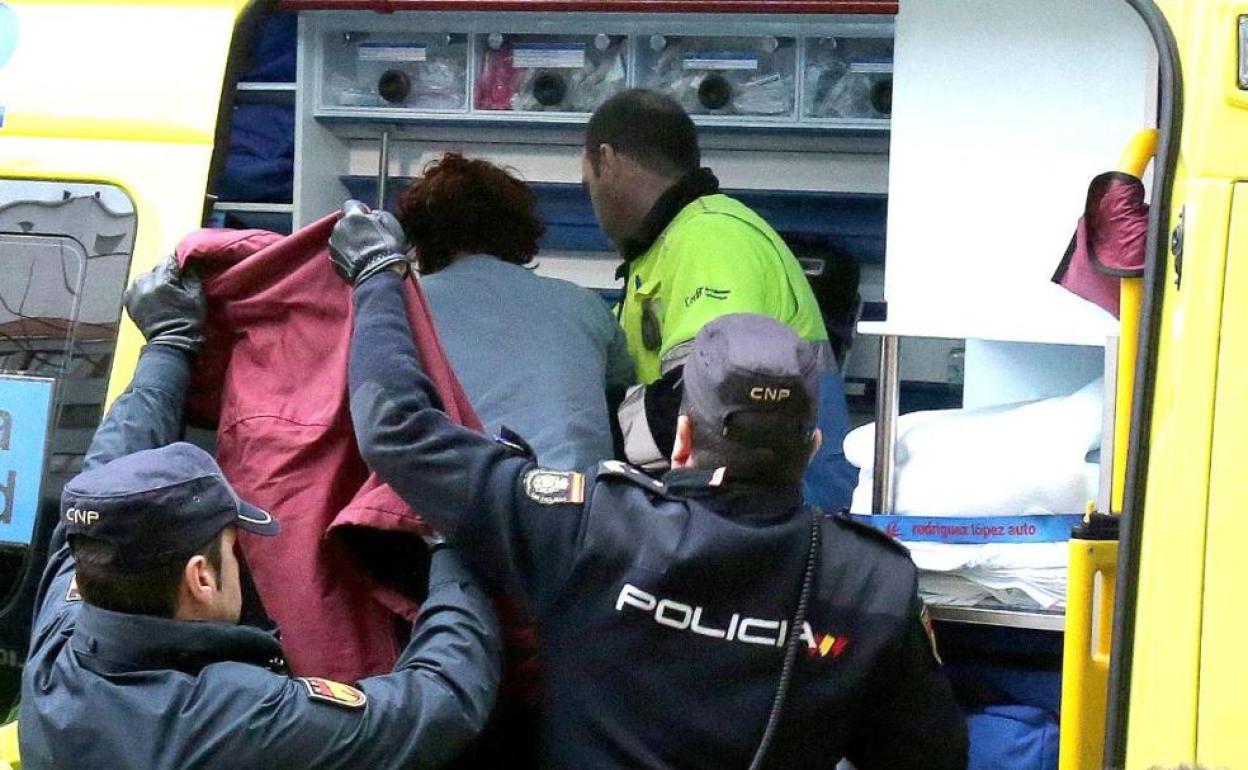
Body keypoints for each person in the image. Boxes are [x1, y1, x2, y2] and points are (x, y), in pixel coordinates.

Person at [330, 202, 970, 769]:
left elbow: (395, 431)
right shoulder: (874, 583)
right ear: (811, 448)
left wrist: (379, 274)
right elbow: (930, 756)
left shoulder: (589, 525)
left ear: (681, 437)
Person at [18, 258, 500, 769]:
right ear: (201, 578)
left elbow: (109, 466)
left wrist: (168, 346)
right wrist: (456, 546)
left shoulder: (62, 645)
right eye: (234, 549)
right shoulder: (237, 722)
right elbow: (438, 705)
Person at [581, 88, 858, 511]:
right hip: (744, 509)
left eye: (588, 184)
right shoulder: (662, 250)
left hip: (777, 514)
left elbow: (702, 404)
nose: (591, 202)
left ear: (607, 160)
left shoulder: (710, 238)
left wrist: (588, 423)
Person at [399, 152, 633, 470]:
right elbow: (622, 397)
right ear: (520, 230)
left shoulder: (402, 308)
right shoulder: (585, 304)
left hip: (464, 489)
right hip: (580, 492)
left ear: (420, 237)